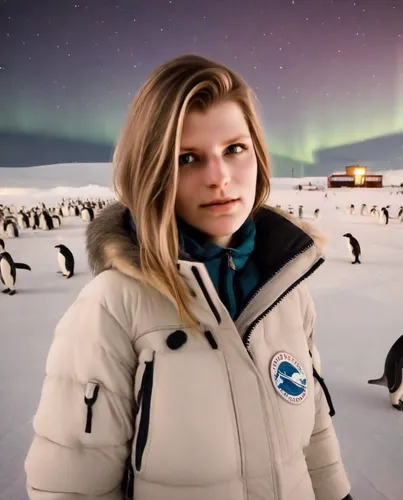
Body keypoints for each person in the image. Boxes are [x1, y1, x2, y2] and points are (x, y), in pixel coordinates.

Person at [25, 54, 352, 500]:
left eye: (234, 149)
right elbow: (72, 485)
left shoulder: (285, 286)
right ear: (153, 171)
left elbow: (312, 423)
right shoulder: (113, 308)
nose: (219, 178)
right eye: (188, 158)